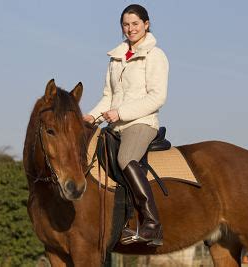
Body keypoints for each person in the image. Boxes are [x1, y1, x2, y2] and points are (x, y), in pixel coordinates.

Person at [83, 4, 169, 246]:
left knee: (125, 159)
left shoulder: (155, 55)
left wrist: (120, 112)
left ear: (146, 25)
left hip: (141, 123)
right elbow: (108, 96)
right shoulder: (116, 58)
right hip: (115, 125)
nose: (130, 29)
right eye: (126, 24)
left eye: (135, 24)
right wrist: (91, 117)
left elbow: (157, 97)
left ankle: (152, 223)